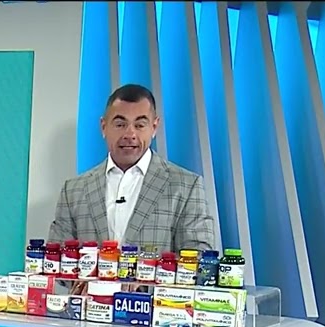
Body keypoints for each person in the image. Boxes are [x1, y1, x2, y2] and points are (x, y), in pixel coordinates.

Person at [49, 84, 216, 253]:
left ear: (154, 127)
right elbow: (56, 258)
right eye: (120, 124)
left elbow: (198, 257)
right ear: (103, 127)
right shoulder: (73, 190)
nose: (130, 135)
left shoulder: (186, 186)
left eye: (140, 125)